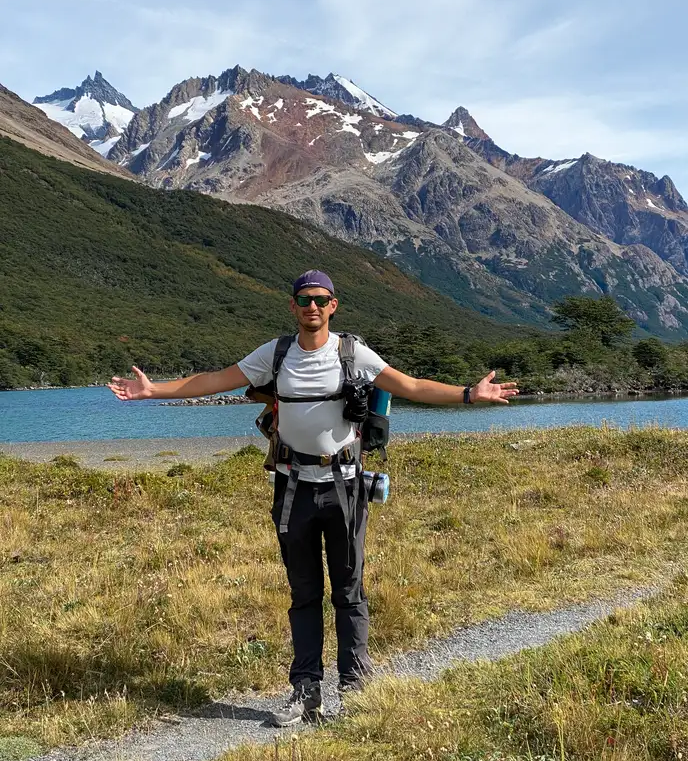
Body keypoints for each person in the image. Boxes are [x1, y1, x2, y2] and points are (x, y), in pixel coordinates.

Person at [109, 269, 518, 726]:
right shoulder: (277, 353)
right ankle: (306, 692)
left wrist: (469, 394)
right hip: (292, 487)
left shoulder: (351, 353)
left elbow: (410, 386)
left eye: (321, 300)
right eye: (304, 299)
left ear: (333, 306)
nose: (312, 307)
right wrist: (152, 391)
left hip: (343, 486)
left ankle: (355, 689)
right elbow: (215, 380)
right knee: (303, 593)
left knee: (348, 590)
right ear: (293, 305)